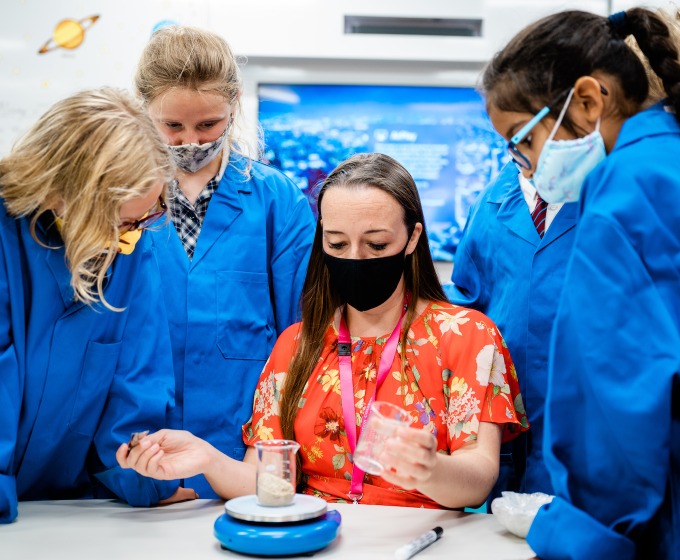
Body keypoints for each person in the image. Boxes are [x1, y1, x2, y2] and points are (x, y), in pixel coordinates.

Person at [117, 152, 529, 509]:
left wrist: (431, 468)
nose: (356, 258)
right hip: (318, 536)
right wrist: (206, 457)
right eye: (336, 244)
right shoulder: (296, 346)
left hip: (423, 539)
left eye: (377, 245)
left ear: (412, 238)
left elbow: (477, 480)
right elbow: (267, 479)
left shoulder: (467, 337)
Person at [446, 5, 680, 505]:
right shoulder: (508, 195)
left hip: (648, 487)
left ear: (597, 97)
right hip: (530, 455)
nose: (524, 165)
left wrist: (580, 534)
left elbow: (624, 402)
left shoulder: (628, 192)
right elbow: (468, 302)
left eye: (524, 140)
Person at [134, 26, 316, 498]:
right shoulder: (125, 200)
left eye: (208, 125)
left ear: (233, 103)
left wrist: (270, 452)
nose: (191, 141)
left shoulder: (277, 201)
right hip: (139, 459)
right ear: (142, 108)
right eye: (172, 126)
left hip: (245, 461)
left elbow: (301, 339)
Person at [0, 88, 195, 523]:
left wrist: (145, 474)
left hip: (73, 509)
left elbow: (138, 376)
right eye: (120, 222)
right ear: (65, 193)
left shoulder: (132, 245)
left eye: (141, 221)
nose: (128, 238)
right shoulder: (7, 237)